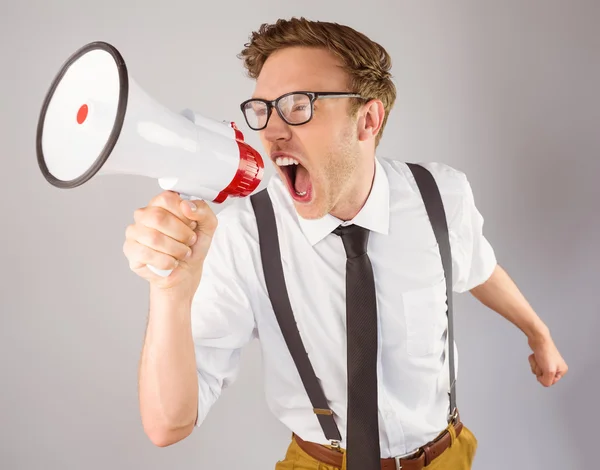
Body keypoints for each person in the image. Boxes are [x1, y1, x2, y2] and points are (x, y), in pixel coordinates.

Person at [123, 17, 568, 470]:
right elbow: (167, 425)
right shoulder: (243, 236)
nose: (272, 131)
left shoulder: (441, 195)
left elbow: (479, 267)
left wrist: (539, 333)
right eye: (263, 108)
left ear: (368, 119)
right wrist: (169, 292)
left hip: (445, 456)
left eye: (298, 105)